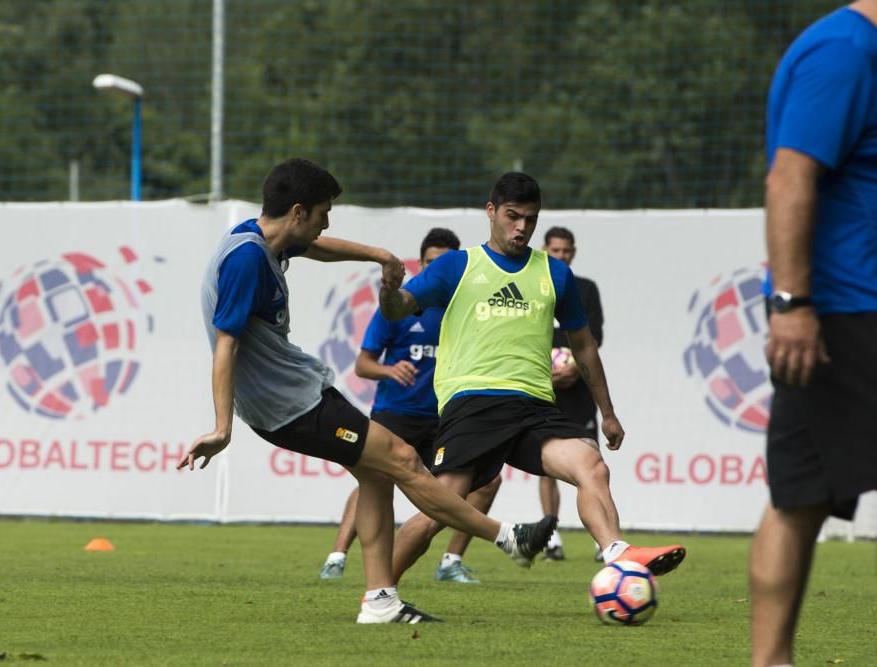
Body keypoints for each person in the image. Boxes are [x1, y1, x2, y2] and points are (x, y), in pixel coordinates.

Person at [178, 158, 556, 624]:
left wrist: (377, 254)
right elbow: (225, 346)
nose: (326, 224)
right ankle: (507, 537)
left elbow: (315, 247)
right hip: (290, 407)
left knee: (376, 474)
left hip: (300, 393)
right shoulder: (245, 262)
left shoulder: (258, 238)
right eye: (322, 214)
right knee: (400, 458)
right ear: (298, 212)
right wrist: (221, 427)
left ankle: (381, 601)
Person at [380, 171, 687, 585]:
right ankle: (379, 593)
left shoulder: (555, 274)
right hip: (474, 403)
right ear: (491, 212)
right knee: (442, 506)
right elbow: (398, 309)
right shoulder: (458, 265)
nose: (522, 227)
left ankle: (617, 554)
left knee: (591, 464)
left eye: (531, 218)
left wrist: (608, 413)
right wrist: (388, 289)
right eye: (512, 215)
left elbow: (584, 346)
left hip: (535, 408)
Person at [750, 3, 877, 666]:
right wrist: (794, 303)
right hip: (847, 314)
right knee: (798, 497)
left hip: (852, 311)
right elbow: (790, 175)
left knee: (801, 495)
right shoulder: (845, 52)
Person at [319, 228, 502, 585]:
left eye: (445, 264)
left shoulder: (466, 309)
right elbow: (362, 365)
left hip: (444, 418)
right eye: (432, 263)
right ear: (421, 265)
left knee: (487, 481)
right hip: (396, 414)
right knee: (375, 479)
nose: (438, 269)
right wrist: (389, 368)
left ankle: (451, 561)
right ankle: (337, 555)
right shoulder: (401, 307)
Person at [538, 226, 604, 561]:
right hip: (542, 387)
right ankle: (551, 536)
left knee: (590, 460)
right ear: (545, 250)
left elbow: (594, 338)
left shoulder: (585, 289)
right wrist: (544, 373)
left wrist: (573, 369)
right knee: (547, 464)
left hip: (578, 389)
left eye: (566, 251)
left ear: (573, 253)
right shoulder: (532, 284)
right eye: (555, 251)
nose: (561, 256)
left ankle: (600, 537)